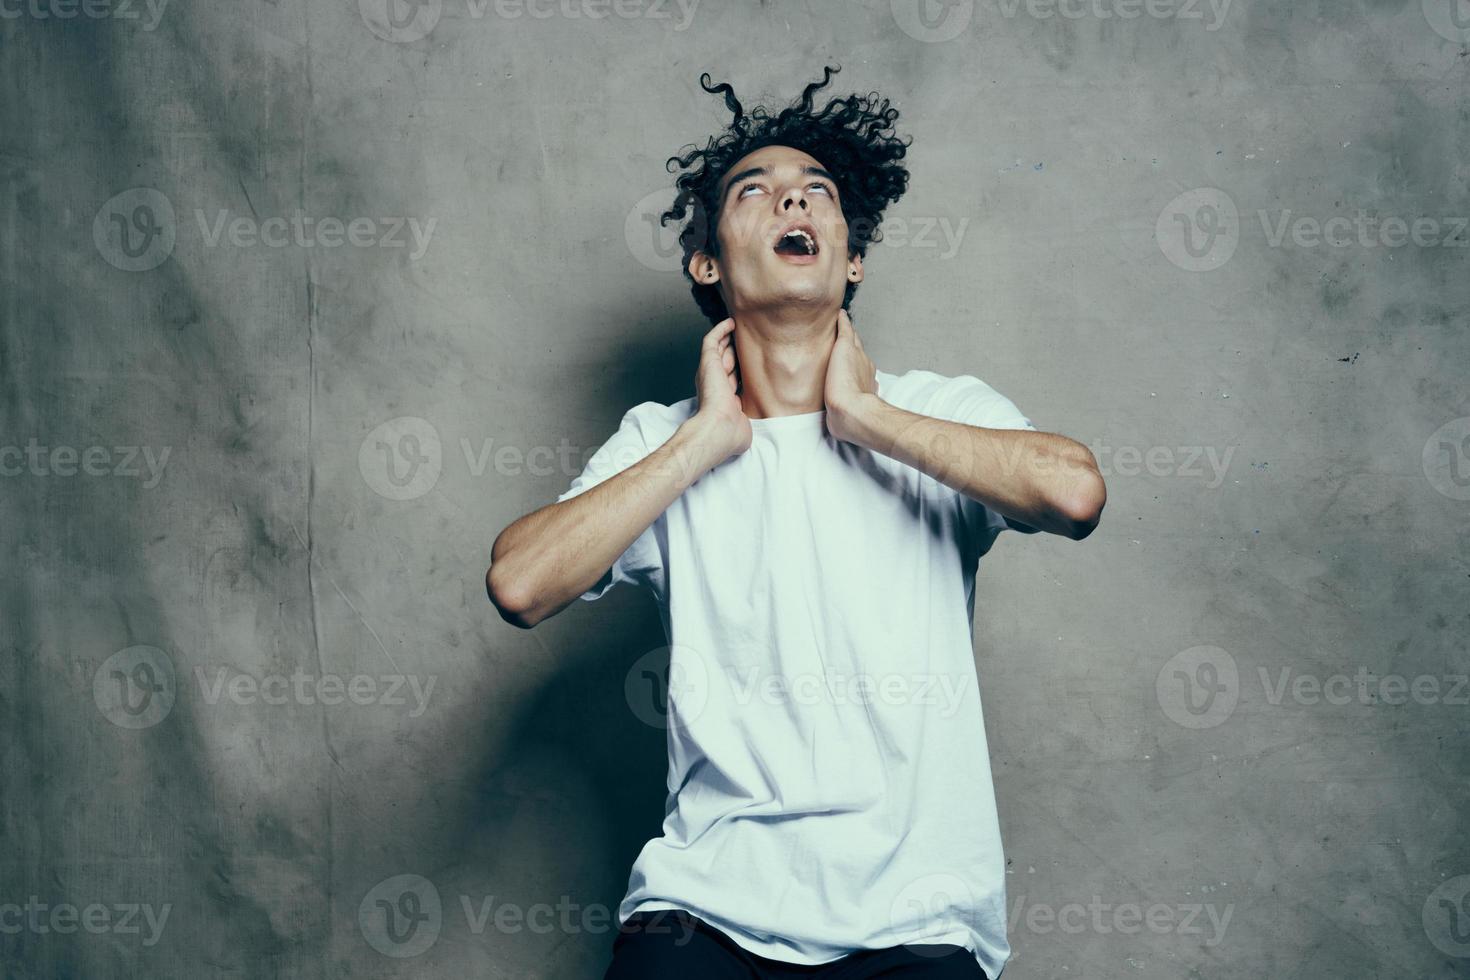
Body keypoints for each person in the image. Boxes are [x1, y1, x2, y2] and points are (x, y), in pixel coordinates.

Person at [486, 66, 1107, 980]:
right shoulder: (662, 442)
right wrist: (702, 443)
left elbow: (1075, 492)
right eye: (757, 190)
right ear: (707, 260)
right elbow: (519, 583)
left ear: (850, 258)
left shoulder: (934, 410)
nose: (794, 200)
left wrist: (867, 420)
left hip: (916, 916)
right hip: (705, 908)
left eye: (816, 191)